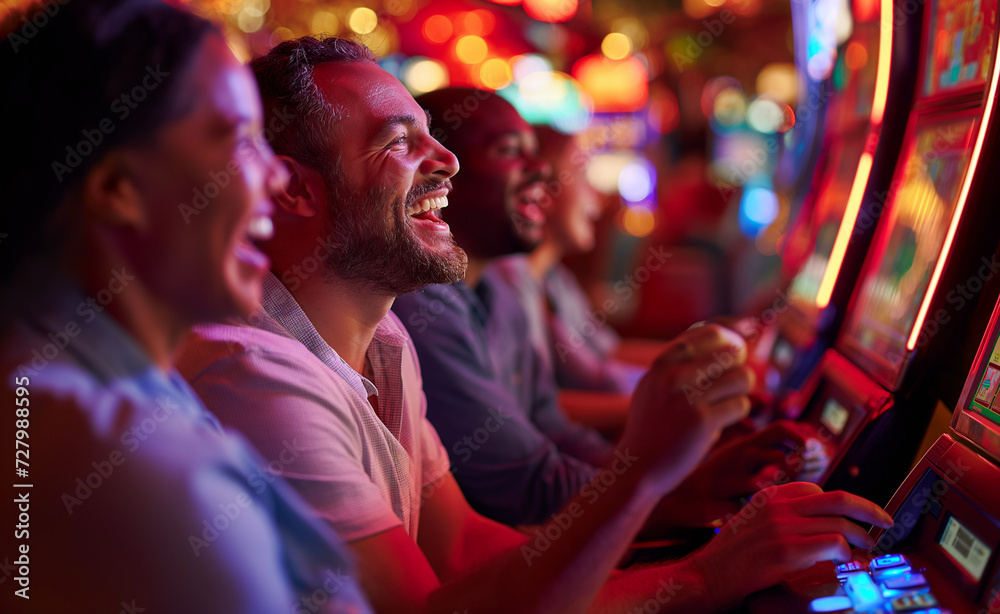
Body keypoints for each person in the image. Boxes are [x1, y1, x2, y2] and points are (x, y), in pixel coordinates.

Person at [178, 36, 893, 614]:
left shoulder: (388, 342)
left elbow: (465, 551)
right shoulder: (256, 378)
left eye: (436, 138)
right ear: (296, 187)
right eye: (402, 143)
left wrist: (691, 511)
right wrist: (691, 551)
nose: (447, 162)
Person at [0, 4, 370, 612]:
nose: (278, 177)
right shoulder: (133, 464)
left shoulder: (116, 385)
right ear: (118, 188)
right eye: (241, 139)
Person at [394, 89, 821, 529]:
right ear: (443, 178)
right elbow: (527, 483)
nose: (541, 170)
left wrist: (679, 475)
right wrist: (677, 487)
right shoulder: (424, 302)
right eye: (508, 152)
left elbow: (557, 431)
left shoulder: (500, 285)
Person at [490, 126, 655, 396]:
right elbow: (534, 414)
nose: (598, 198)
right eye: (583, 176)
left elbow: (609, 352)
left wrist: (700, 361)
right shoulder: (505, 282)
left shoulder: (555, 279)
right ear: (541, 188)